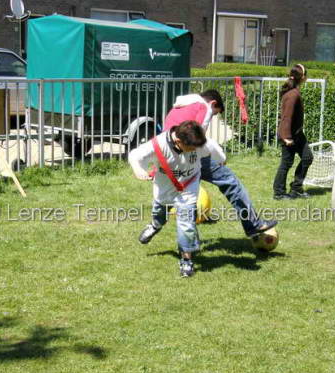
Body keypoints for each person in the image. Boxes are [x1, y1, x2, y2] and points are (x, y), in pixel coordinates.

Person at [163, 89, 277, 238]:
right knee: (231, 183)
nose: (212, 117)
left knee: (185, 193)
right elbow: (200, 141)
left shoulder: (179, 106)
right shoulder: (204, 107)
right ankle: (254, 225)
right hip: (190, 155)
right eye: (215, 114)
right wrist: (220, 158)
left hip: (170, 157)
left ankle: (158, 223)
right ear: (213, 103)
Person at [128, 120, 226, 278]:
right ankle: (155, 226)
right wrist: (138, 169)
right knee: (159, 213)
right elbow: (134, 155)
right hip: (164, 189)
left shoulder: (199, 142)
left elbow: (215, 150)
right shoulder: (157, 145)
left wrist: (221, 159)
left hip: (188, 186)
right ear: (179, 141)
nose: (196, 150)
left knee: (186, 223)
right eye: (192, 148)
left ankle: (186, 260)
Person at [273, 64, 314, 200]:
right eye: (306, 75)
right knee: (286, 163)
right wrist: (286, 137)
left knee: (307, 157)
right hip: (288, 135)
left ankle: (296, 188)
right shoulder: (293, 95)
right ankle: (279, 193)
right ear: (302, 77)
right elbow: (286, 117)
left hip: (297, 134)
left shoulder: (294, 91)